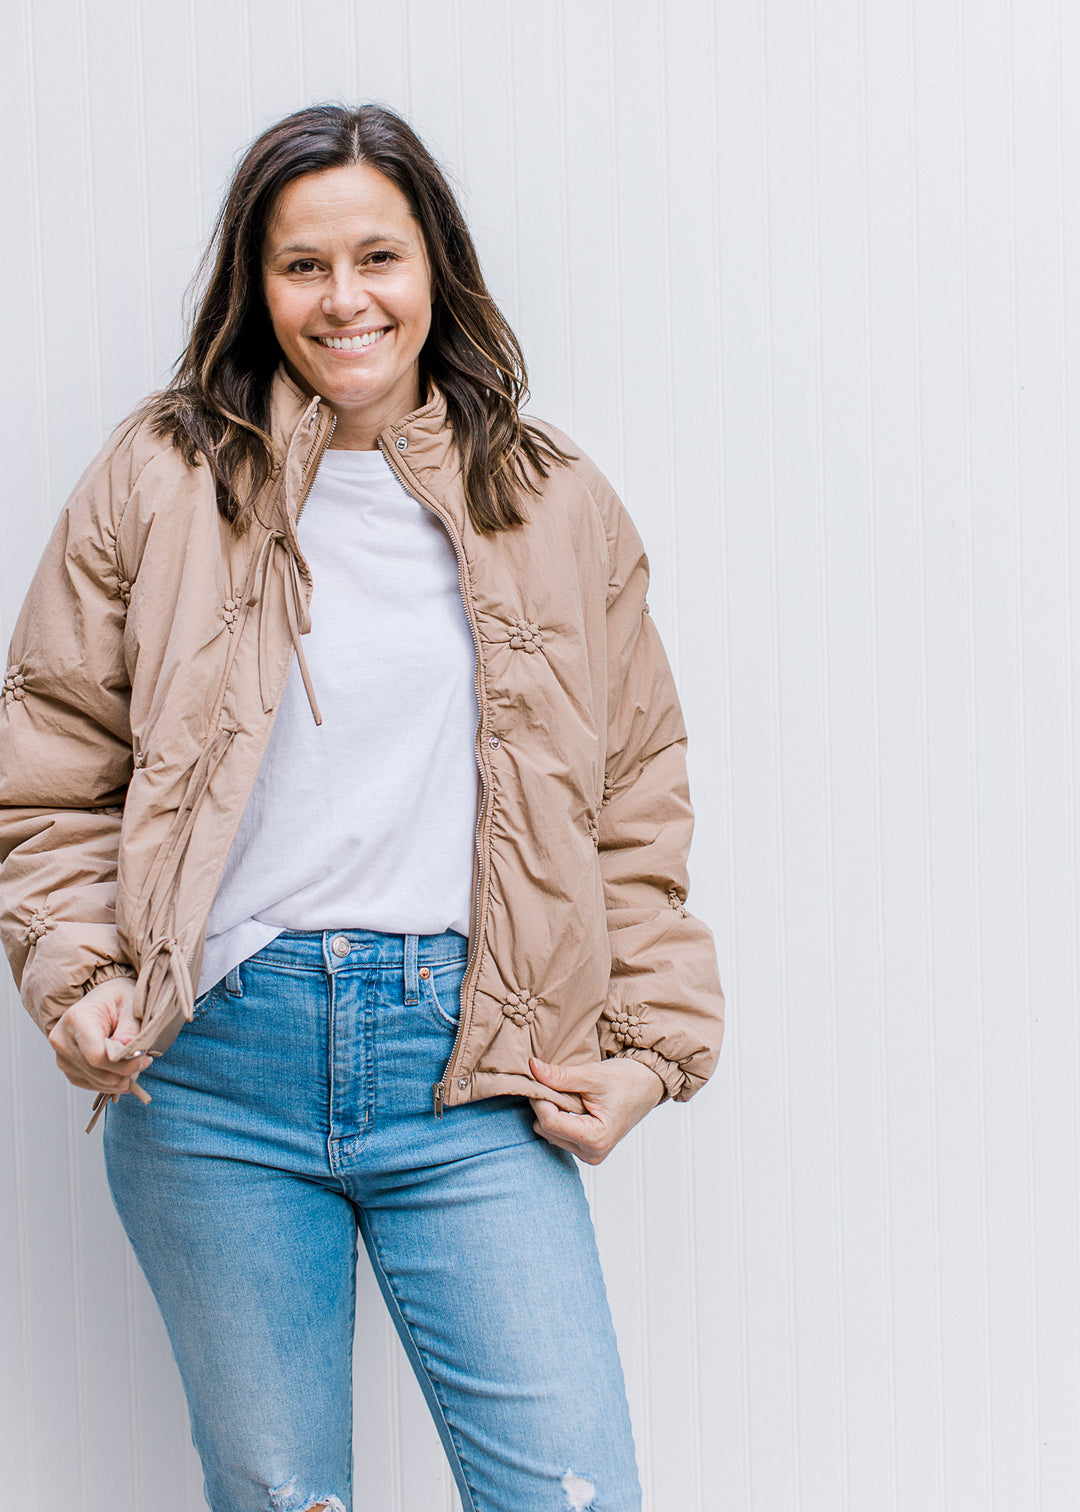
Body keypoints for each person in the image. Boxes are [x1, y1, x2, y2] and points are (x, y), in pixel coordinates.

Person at [0, 103, 724, 1512]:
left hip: (475, 1072)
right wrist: (75, 972)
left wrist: (650, 1046)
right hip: (215, 1068)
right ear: (253, 287)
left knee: (572, 1492)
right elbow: (51, 763)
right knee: (281, 1500)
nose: (345, 300)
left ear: (436, 267)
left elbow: (635, 794)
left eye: (378, 256)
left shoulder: (551, 498)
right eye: (301, 266)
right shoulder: (159, 478)